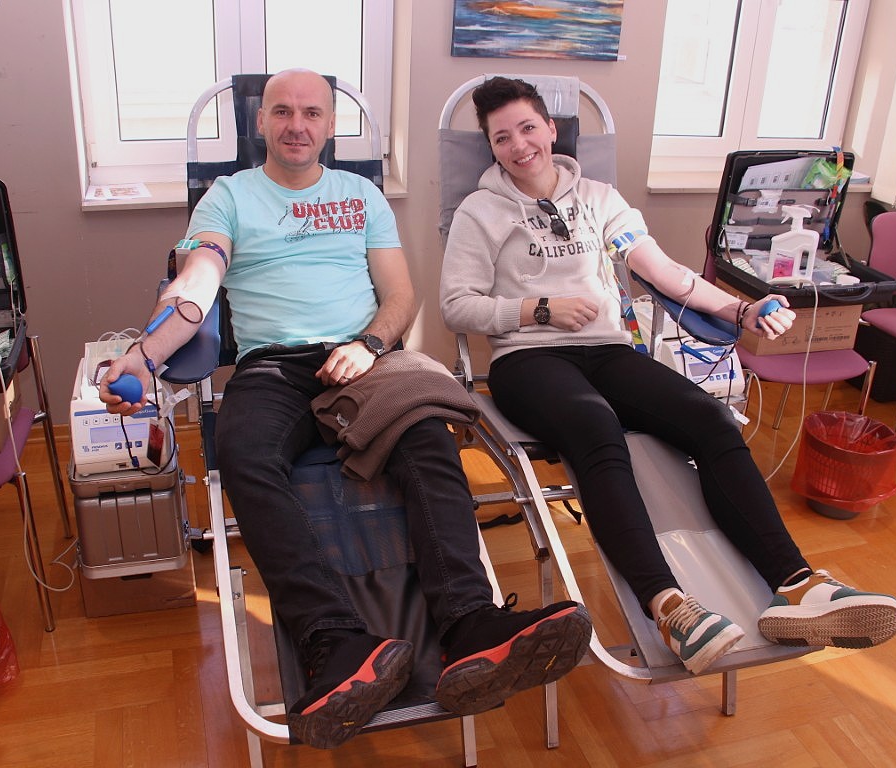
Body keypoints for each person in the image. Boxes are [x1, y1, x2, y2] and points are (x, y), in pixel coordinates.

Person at [99, 69, 590, 750]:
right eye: (282, 111)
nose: (296, 125)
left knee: (428, 436)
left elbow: (401, 297)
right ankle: (334, 641)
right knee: (243, 455)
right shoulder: (229, 196)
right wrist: (144, 355)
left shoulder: (360, 196)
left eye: (312, 113)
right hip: (272, 366)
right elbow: (197, 281)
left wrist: (369, 345)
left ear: (331, 126)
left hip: (366, 359)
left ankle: (471, 624)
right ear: (261, 122)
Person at [440, 76, 896, 676]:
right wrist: (539, 310)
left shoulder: (601, 199)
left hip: (608, 351)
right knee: (596, 430)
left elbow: (665, 273)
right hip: (527, 361)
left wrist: (740, 310)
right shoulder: (480, 211)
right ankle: (668, 605)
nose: (518, 145)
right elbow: (458, 305)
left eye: (528, 128)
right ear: (491, 147)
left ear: (551, 130)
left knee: (711, 420)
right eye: (502, 137)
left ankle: (797, 586)